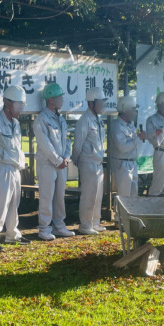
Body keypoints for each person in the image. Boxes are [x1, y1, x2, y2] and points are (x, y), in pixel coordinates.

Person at [0, 85, 29, 252]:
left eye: (22, 104)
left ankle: (12, 234)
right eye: (18, 104)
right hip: (0, 168)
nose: (21, 108)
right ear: (8, 103)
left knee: (14, 205)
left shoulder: (16, 123)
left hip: (15, 168)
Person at [34, 82, 74, 241]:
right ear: (50, 99)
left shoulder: (61, 119)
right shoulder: (41, 120)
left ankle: (59, 226)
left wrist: (66, 157)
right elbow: (45, 144)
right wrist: (58, 160)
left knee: (59, 197)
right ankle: (44, 228)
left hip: (61, 164)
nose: (61, 100)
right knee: (46, 197)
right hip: (47, 165)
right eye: (59, 97)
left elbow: (67, 141)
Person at [71, 87, 107, 235]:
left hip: (97, 162)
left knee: (97, 195)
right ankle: (85, 225)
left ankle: (95, 222)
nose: (103, 105)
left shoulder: (98, 119)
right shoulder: (84, 120)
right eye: (100, 102)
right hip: (87, 162)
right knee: (88, 195)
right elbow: (78, 144)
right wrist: (77, 160)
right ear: (91, 103)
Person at [109, 95, 146, 197]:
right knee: (124, 196)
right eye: (133, 110)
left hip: (132, 163)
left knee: (133, 195)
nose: (135, 113)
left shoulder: (130, 124)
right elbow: (122, 148)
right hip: (122, 164)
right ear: (125, 111)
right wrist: (138, 138)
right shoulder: (116, 126)